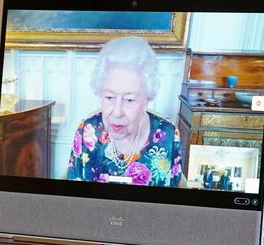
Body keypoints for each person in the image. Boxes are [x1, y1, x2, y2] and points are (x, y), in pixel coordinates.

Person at [67, 36, 182, 187]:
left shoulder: (167, 135)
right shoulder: (87, 131)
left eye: (129, 100)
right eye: (109, 97)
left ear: (146, 99)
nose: (117, 112)